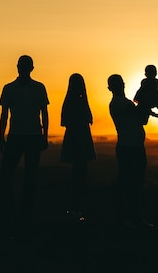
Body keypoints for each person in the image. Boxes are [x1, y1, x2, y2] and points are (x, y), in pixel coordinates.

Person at [0, 55, 49, 221]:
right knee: (16, 174)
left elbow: (44, 113)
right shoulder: (11, 88)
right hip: (21, 135)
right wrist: (1, 136)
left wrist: (44, 135)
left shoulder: (35, 88)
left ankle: (21, 210)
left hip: (28, 135)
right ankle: (14, 209)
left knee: (26, 174)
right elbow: (4, 115)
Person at [107, 74, 151, 228]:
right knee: (133, 184)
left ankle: (128, 218)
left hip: (131, 146)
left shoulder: (120, 103)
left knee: (130, 183)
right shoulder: (120, 104)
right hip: (130, 147)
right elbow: (141, 118)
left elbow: (141, 118)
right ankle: (133, 219)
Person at [60, 73, 96, 218]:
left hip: (78, 138)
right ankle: (75, 206)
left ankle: (76, 206)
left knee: (79, 173)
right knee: (79, 173)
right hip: (78, 139)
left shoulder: (74, 101)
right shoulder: (77, 102)